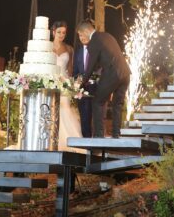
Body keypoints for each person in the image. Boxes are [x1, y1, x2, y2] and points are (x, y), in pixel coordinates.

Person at [76, 21, 130, 138]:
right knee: (117, 104)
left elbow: (91, 65)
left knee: (98, 102)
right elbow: (102, 62)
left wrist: (82, 83)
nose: (81, 37)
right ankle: (116, 134)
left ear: (86, 31)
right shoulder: (107, 36)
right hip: (125, 73)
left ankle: (98, 136)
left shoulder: (93, 41)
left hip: (113, 74)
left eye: (81, 34)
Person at [51, 21, 83, 151]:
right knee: (52, 110)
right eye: (59, 32)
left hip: (64, 83)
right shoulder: (47, 47)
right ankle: (51, 140)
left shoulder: (69, 49)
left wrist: (72, 85)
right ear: (53, 32)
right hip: (50, 81)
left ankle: (68, 141)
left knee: (65, 109)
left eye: (64, 32)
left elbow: (71, 69)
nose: (61, 35)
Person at [73, 31, 95, 138]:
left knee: (95, 120)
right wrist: (76, 84)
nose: (82, 38)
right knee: (84, 119)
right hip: (81, 91)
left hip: (96, 90)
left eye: (84, 35)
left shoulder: (96, 50)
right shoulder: (78, 52)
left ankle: (96, 146)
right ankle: (87, 146)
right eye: (80, 35)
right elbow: (75, 72)